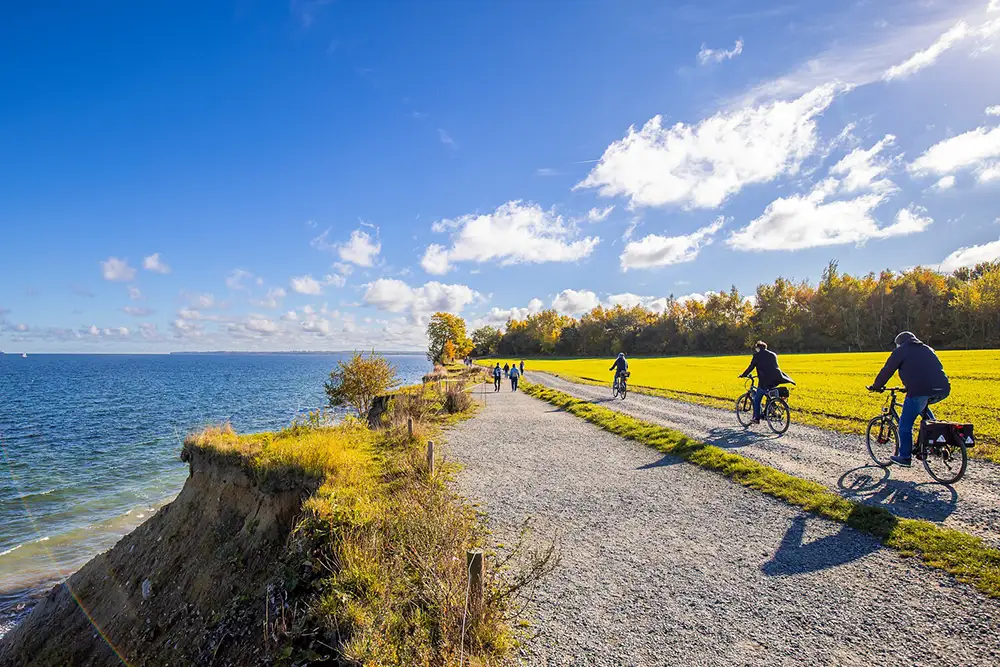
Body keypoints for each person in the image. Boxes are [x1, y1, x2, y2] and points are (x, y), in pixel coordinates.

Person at [868, 331, 951, 467]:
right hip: (943, 389)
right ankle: (931, 442)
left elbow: (888, 369)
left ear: (899, 343)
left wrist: (876, 386)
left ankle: (905, 456)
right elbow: (927, 370)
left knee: (905, 425)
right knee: (924, 410)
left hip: (920, 390)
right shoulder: (927, 348)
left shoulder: (901, 350)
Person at [739, 341, 794, 424]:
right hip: (775, 379)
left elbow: (751, 367)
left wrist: (743, 375)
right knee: (768, 394)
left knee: (757, 400)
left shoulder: (757, 356)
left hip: (764, 381)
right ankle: (771, 409)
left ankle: (756, 418)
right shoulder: (773, 354)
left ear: (758, 348)